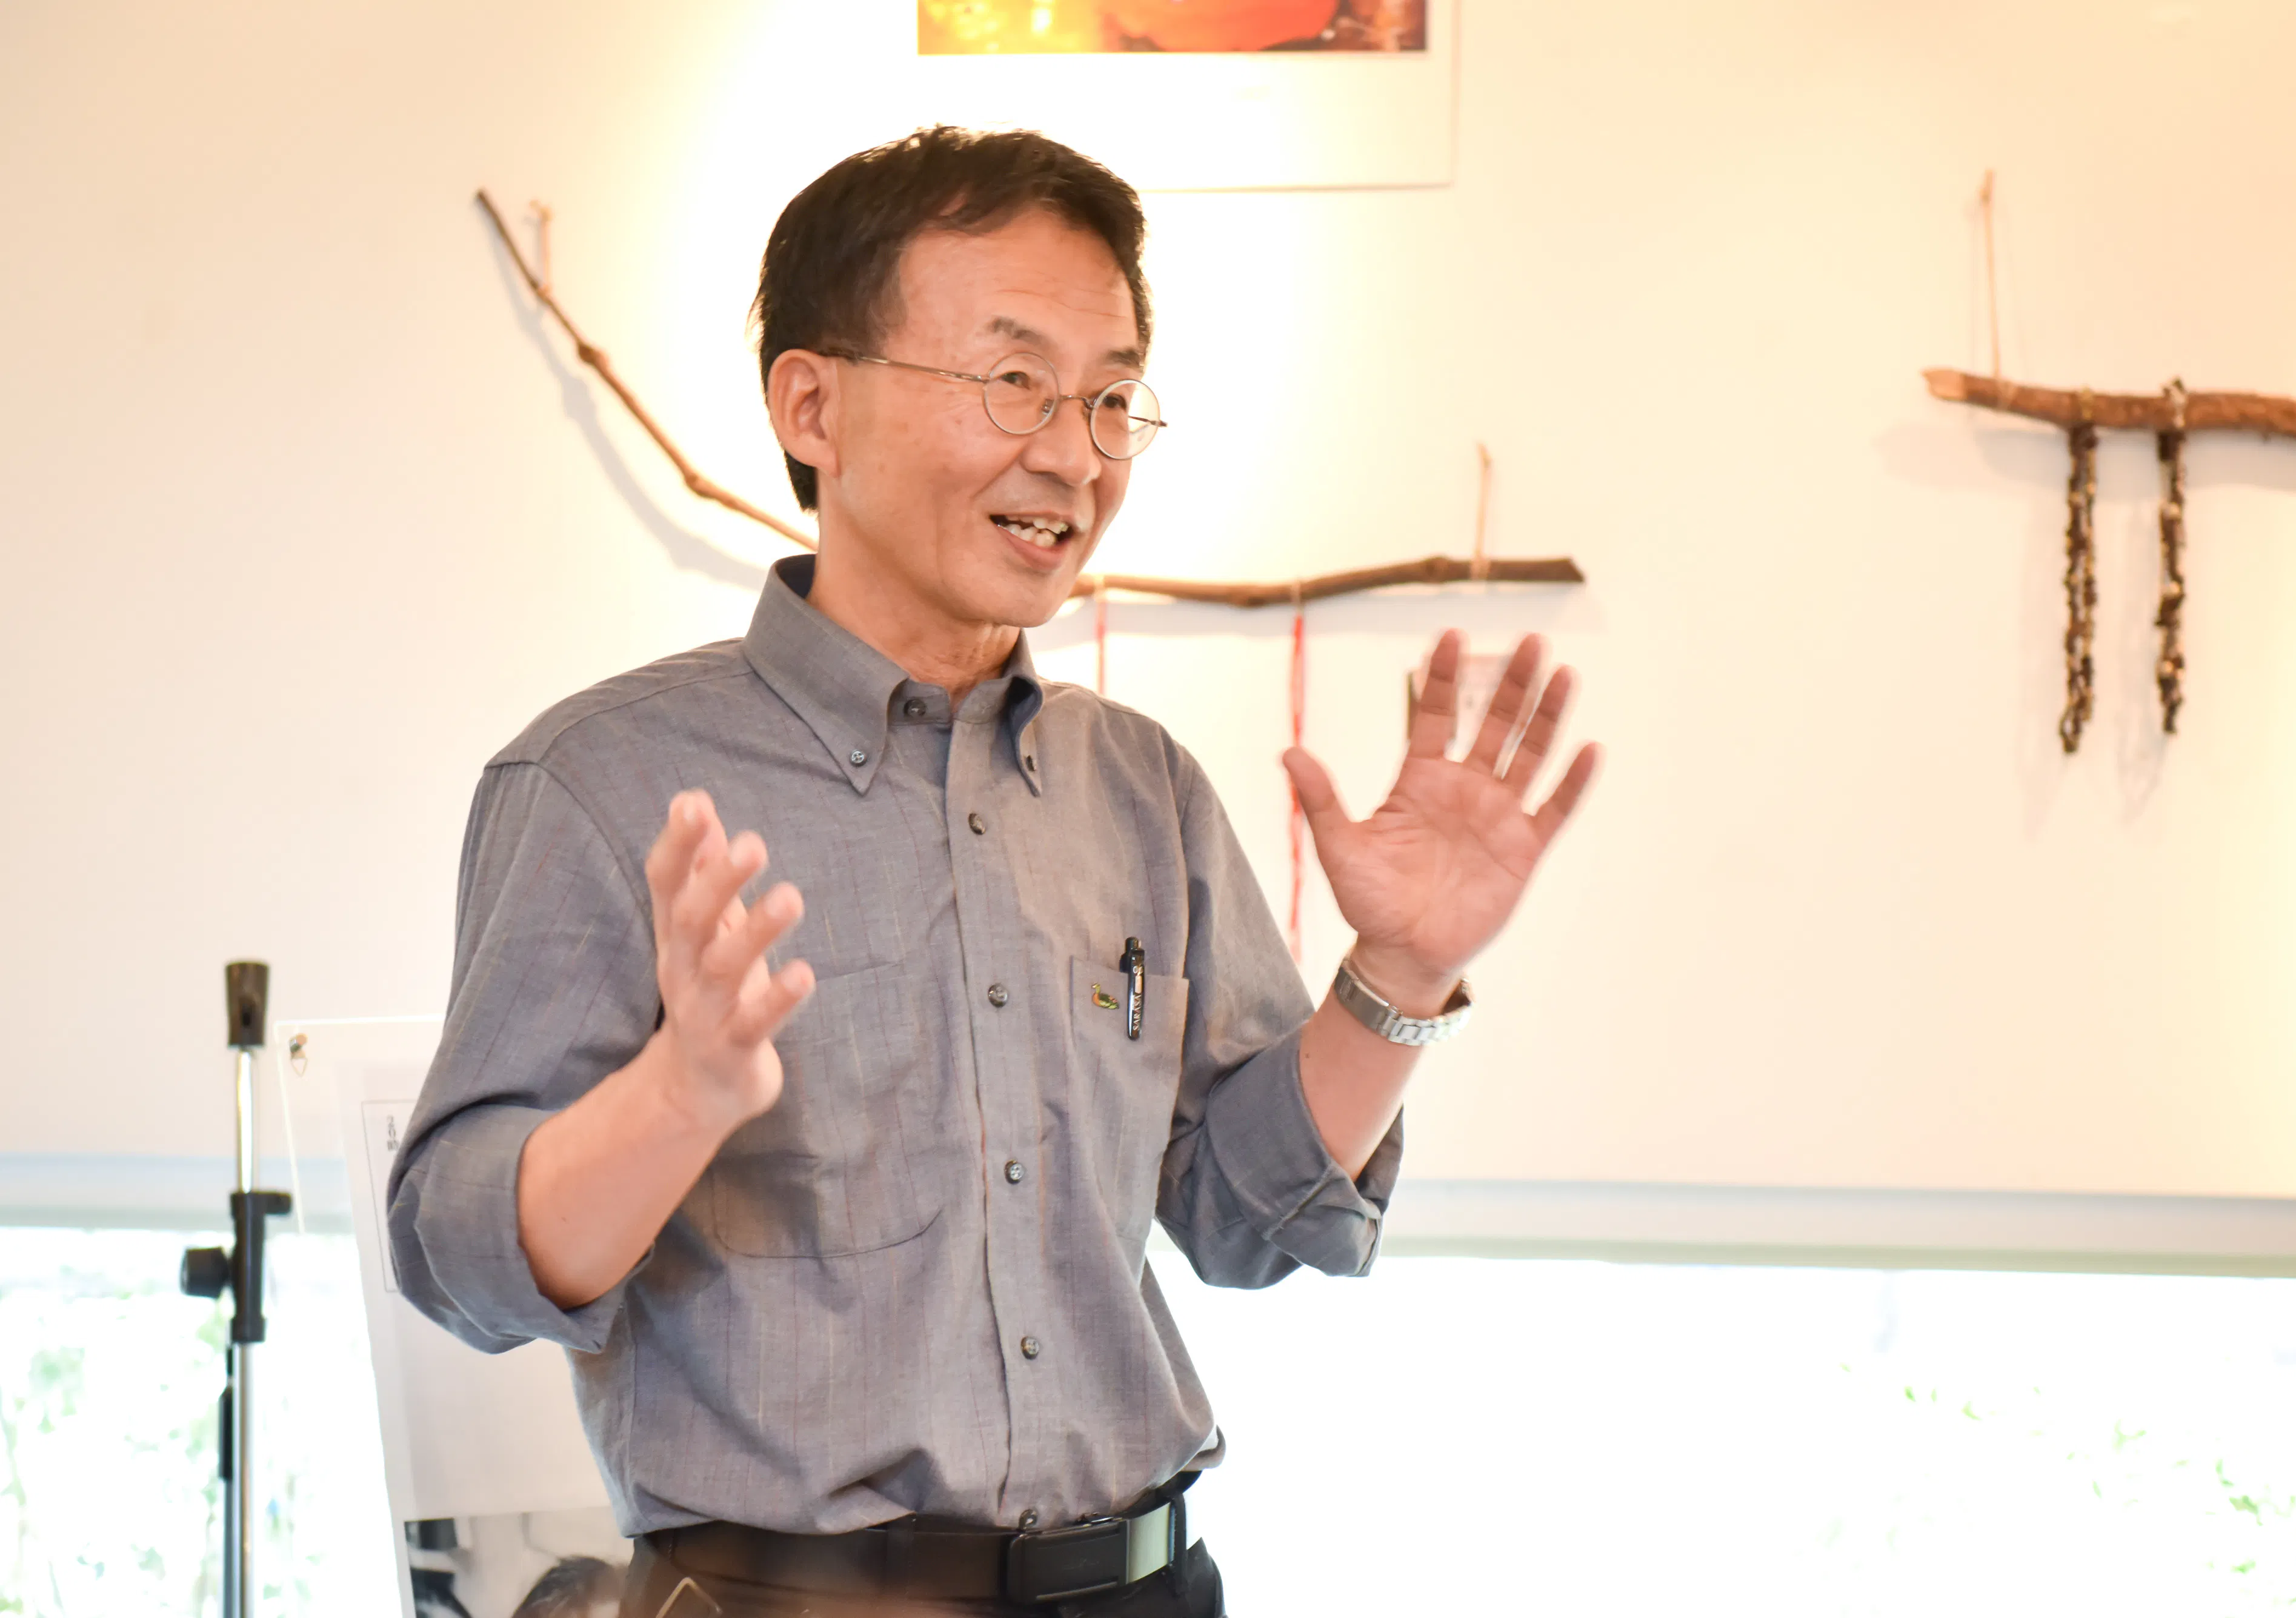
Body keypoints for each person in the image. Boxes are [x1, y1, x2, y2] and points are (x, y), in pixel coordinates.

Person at [388, 125, 1596, 1618]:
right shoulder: (600, 781)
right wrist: (674, 1100)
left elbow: (1240, 1218)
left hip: (1145, 1585)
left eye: (1109, 398)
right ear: (813, 404)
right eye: (1012, 381)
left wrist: (1398, 974)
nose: (1074, 456)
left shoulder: (1138, 787)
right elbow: (458, 1257)